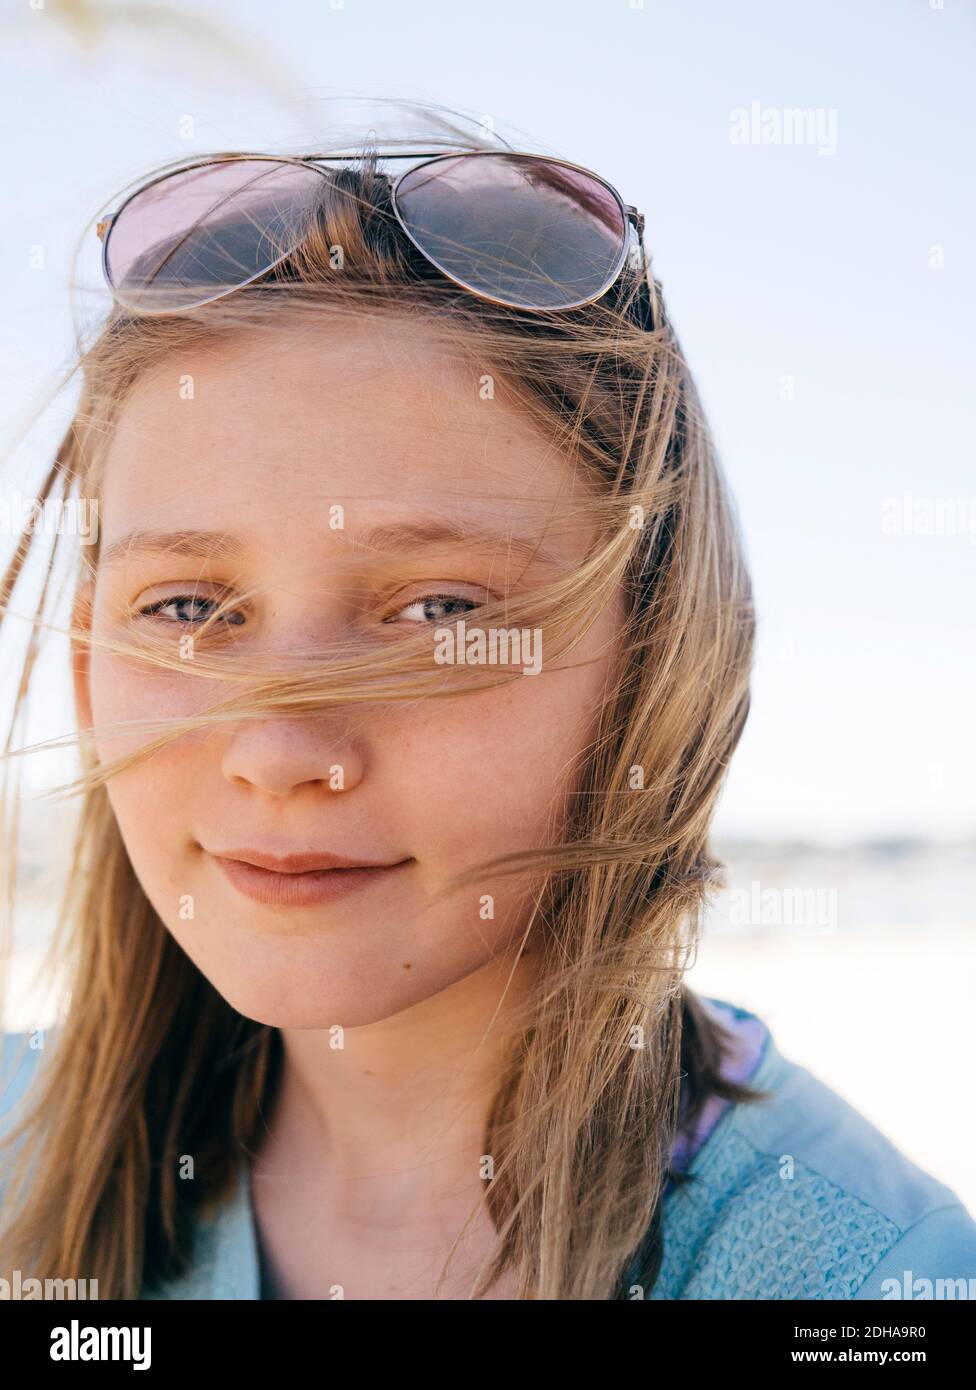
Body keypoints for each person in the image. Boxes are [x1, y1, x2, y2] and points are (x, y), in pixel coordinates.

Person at [2, 106, 974, 1300]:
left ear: (660, 662)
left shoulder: (860, 1281)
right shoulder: (14, 1152)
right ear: (90, 669)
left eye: (441, 613)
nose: (279, 749)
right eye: (189, 608)